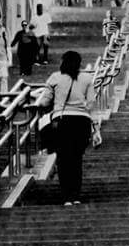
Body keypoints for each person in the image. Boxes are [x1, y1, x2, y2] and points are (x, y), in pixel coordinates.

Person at [41, 49, 96, 205]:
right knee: (76, 159)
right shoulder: (87, 78)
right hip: (82, 122)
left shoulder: (55, 77)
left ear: (63, 62)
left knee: (63, 160)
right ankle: (76, 196)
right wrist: (96, 127)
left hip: (62, 122)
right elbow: (91, 104)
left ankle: (67, 197)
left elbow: (44, 102)